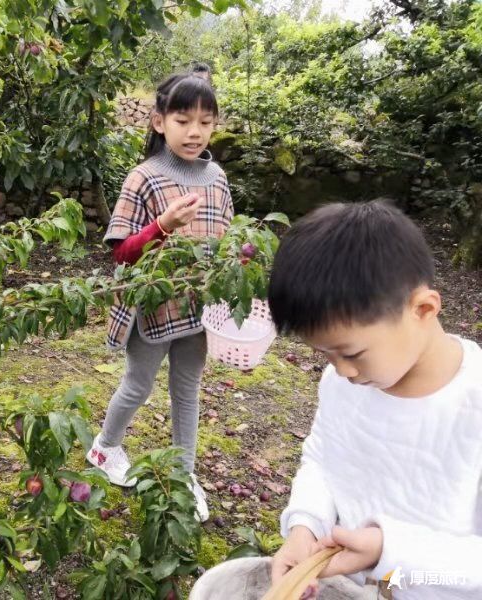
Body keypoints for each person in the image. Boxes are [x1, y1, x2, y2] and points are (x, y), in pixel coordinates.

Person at [192, 201, 482, 599]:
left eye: (352, 353)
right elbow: (324, 460)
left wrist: (389, 551)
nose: (341, 370)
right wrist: (304, 527)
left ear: (423, 309)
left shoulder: (473, 407)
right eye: (324, 354)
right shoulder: (343, 383)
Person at [85, 72, 234, 523]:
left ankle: (183, 475)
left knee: (187, 389)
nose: (195, 132)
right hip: (152, 306)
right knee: (138, 383)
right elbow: (123, 252)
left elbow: (228, 242)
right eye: (183, 119)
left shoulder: (217, 177)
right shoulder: (144, 178)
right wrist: (163, 226)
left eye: (205, 122)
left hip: (199, 307)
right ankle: (105, 448)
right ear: (158, 121)